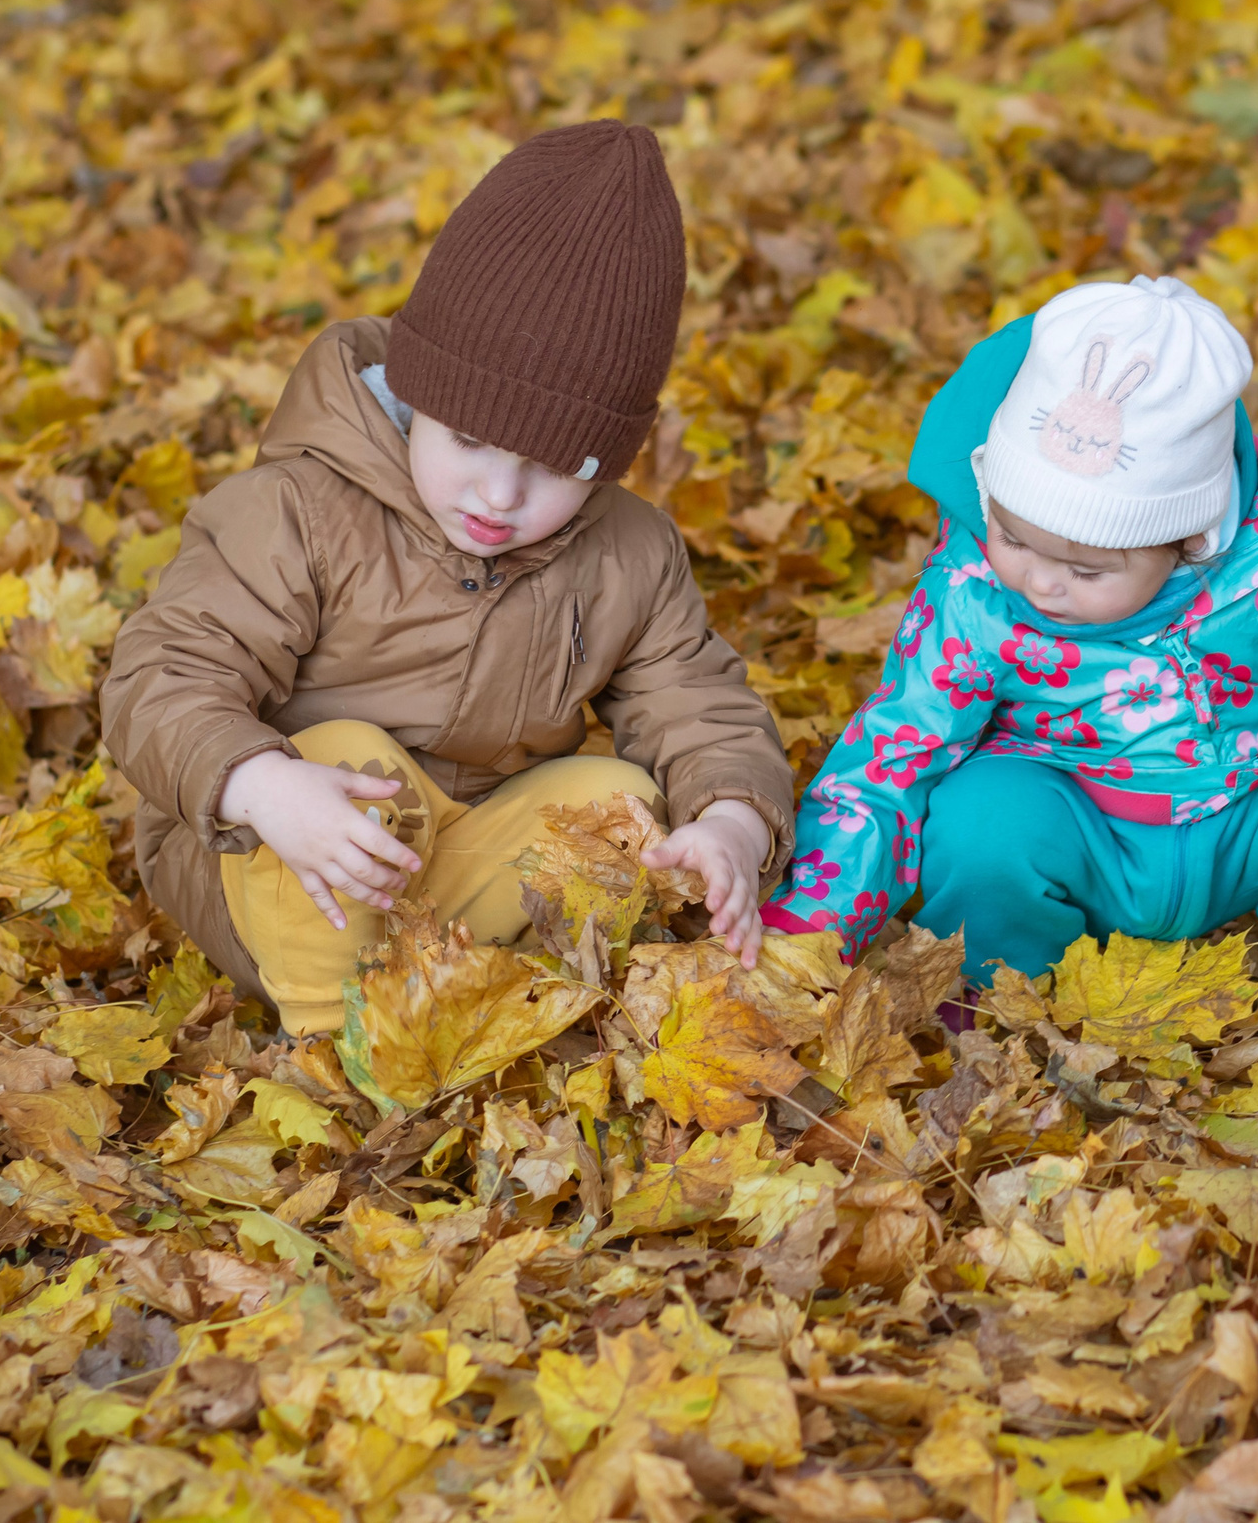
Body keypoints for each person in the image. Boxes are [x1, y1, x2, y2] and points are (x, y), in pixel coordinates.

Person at [105, 121, 792, 1036]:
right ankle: (339, 1035)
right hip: (277, 853)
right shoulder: (299, 509)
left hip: (466, 858)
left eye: (555, 468)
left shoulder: (628, 551)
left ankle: (472, 989)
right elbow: (161, 675)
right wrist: (260, 786)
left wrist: (734, 820)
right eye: (469, 440)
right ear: (416, 394)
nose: (499, 495)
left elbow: (695, 701)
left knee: (618, 802)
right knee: (356, 759)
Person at [759, 276, 1258, 1039]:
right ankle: (1001, 978)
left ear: (1188, 539)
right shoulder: (975, 593)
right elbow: (897, 749)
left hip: (1254, 790)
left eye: (1086, 569)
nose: (1041, 581)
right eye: (1012, 536)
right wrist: (810, 933)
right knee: (978, 825)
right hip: (1068, 802)